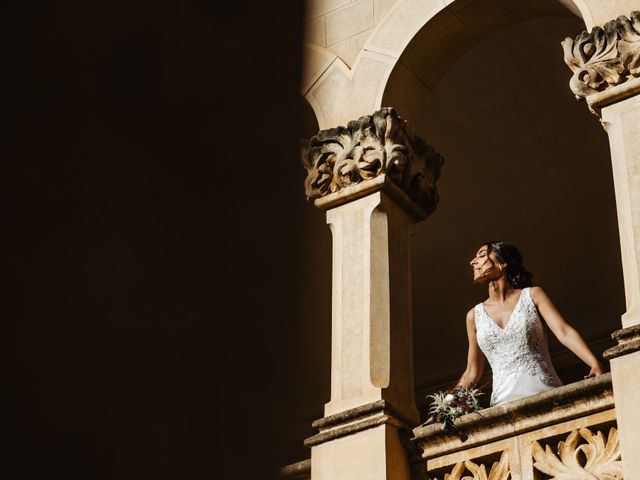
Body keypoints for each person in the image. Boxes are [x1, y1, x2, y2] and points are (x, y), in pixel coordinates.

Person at [457, 241, 604, 406]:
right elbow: (472, 372)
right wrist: (448, 405)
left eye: (482, 255)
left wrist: (594, 362)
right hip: (502, 404)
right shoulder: (474, 316)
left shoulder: (533, 295)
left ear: (502, 263)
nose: (473, 262)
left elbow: (564, 332)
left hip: (545, 394)